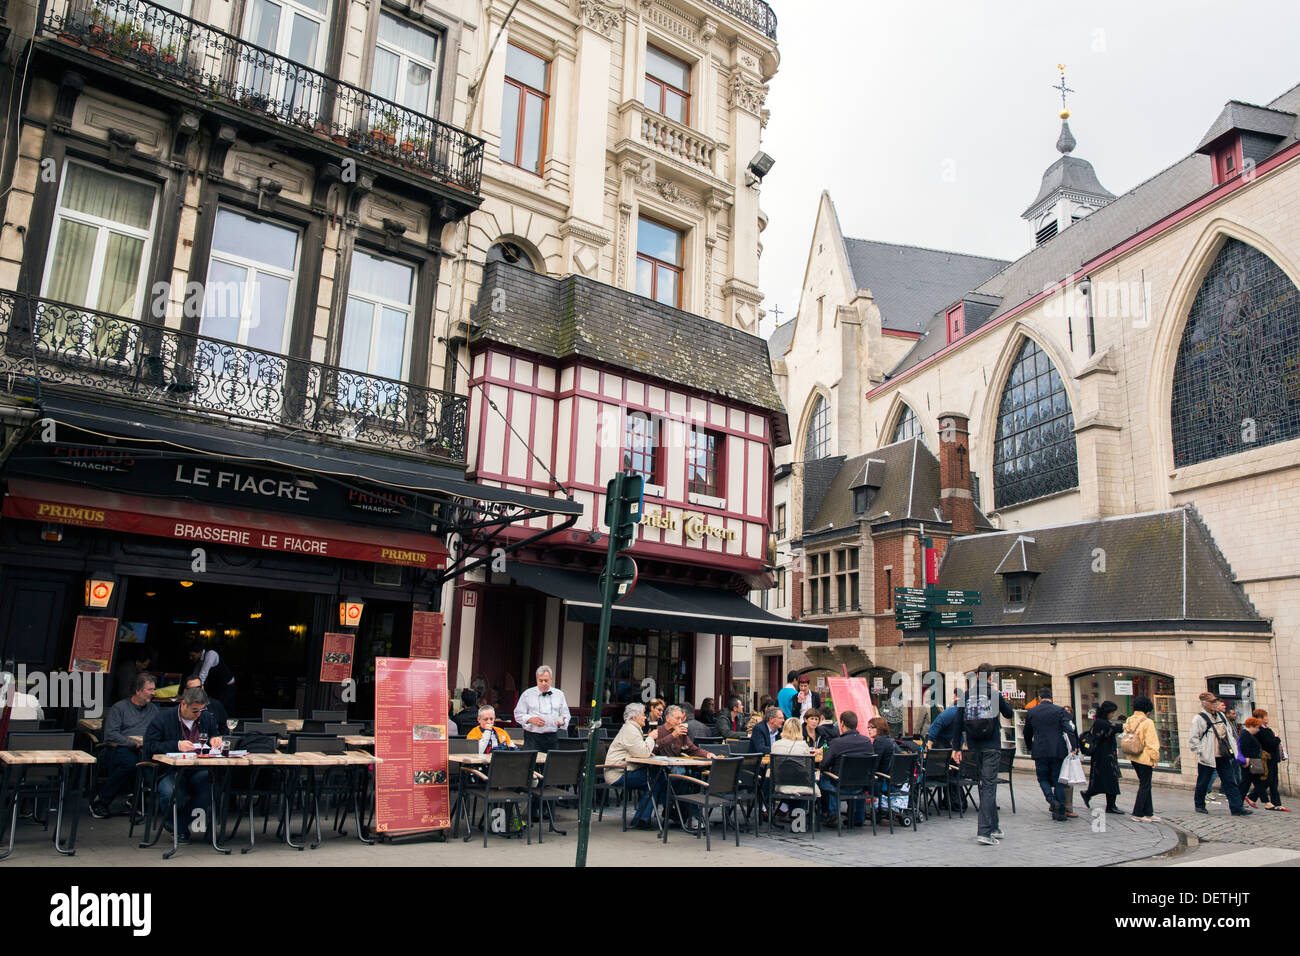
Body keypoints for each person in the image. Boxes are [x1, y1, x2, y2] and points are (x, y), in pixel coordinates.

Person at [144, 686, 224, 836]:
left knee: (212, 787)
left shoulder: (206, 718)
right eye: (195, 710)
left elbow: (215, 734)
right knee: (171, 793)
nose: (198, 714)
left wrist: (216, 740)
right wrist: (177, 745)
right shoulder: (163, 718)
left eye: (201, 710)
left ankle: (179, 824)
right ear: (183, 705)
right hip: (169, 769)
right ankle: (172, 823)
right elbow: (149, 746)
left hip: (198, 768)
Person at [951, 663, 1015, 845]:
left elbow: (958, 723)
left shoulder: (965, 695)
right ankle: (985, 832)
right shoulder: (994, 694)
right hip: (991, 746)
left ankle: (993, 826)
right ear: (990, 678)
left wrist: (956, 748)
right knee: (988, 785)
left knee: (984, 784)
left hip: (973, 747)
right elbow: (1008, 712)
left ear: (977, 675)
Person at [89, 673, 158, 818]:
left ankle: (138, 800)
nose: (153, 693)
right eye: (150, 689)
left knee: (156, 763)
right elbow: (111, 734)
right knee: (130, 763)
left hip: (146, 748)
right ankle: (101, 801)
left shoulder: (153, 709)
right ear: (138, 690)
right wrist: (132, 744)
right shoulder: (119, 708)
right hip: (119, 747)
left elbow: (159, 730)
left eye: (153, 689)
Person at [1022, 688, 1079, 822]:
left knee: (1042, 779)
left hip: (1040, 750)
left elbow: (1027, 732)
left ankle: (1052, 801)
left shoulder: (1032, 711)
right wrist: (1073, 747)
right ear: (1051, 698)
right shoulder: (1059, 710)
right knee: (1058, 779)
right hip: (1057, 750)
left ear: (1040, 698)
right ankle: (1061, 812)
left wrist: (1030, 747)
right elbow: (1069, 729)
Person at [604, 702, 663, 829]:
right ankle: (641, 819)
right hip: (618, 773)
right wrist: (651, 738)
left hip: (622, 770)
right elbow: (642, 753)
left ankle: (644, 817)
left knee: (657, 776)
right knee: (656, 780)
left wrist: (647, 749)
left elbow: (639, 751)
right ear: (634, 717)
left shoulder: (632, 728)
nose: (645, 717)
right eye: (642, 715)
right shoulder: (631, 730)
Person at [1190, 692, 1249, 816]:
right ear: (1205, 703)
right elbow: (1194, 738)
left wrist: (1233, 749)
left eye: (1216, 701)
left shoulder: (1221, 716)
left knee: (1229, 781)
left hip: (1222, 754)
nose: (1215, 704)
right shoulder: (1199, 719)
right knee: (1203, 781)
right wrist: (1201, 752)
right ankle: (1200, 805)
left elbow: (1228, 734)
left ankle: (1236, 807)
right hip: (1208, 755)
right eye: (1212, 702)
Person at [819, 710, 874, 828]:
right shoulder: (867, 741)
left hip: (840, 786)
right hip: (861, 785)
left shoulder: (837, 743)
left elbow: (823, 765)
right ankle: (858, 817)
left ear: (842, 723)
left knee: (826, 778)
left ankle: (833, 814)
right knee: (857, 778)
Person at [513, 665, 570, 752]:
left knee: (551, 764)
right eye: (541, 680)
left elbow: (565, 713)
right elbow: (518, 714)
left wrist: (562, 722)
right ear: (537, 680)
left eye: (546, 680)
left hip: (552, 737)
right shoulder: (527, 694)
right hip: (532, 738)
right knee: (532, 764)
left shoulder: (559, 694)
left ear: (551, 680)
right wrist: (531, 719)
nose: (543, 683)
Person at [1080, 701, 1124, 814]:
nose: (1113, 715)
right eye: (1112, 712)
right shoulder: (1102, 723)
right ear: (1107, 712)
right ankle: (1110, 806)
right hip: (1103, 756)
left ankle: (1089, 794)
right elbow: (1114, 728)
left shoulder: (1101, 721)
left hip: (1104, 756)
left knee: (1104, 780)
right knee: (1111, 780)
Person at [1124, 695, 1160, 822]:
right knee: (1145, 785)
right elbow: (1152, 742)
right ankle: (1137, 813)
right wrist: (1154, 758)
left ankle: (1148, 812)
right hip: (1145, 756)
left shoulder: (1129, 719)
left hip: (1133, 755)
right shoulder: (1147, 722)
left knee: (1146, 784)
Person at [650, 705, 720, 759]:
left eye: (681, 719)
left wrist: (707, 754)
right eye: (677, 718)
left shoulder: (680, 733)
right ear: (668, 718)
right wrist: (673, 736)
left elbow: (693, 749)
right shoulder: (657, 731)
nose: (680, 722)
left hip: (676, 768)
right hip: (660, 770)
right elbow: (654, 748)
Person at [1251, 709, 1288, 811]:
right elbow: (1269, 743)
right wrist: (1277, 738)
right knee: (1268, 780)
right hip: (1265, 759)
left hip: (1272, 758)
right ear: (1259, 718)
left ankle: (1274, 802)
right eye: (1265, 717)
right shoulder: (1260, 730)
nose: (1267, 718)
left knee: (1273, 781)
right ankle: (1252, 797)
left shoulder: (1267, 729)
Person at [188, 643, 236, 716]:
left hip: (227, 685)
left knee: (221, 709)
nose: (190, 658)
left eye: (193, 655)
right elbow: (195, 675)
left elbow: (203, 674)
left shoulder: (211, 654)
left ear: (200, 652)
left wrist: (195, 691)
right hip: (217, 686)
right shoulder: (199, 660)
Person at [1238, 717, 1265, 808]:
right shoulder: (1245, 734)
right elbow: (1244, 748)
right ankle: (1238, 801)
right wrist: (1246, 759)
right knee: (1246, 782)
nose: (1257, 730)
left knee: (1251, 781)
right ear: (1251, 726)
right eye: (1256, 727)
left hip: (1253, 761)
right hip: (1249, 761)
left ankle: (1240, 801)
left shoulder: (1248, 734)